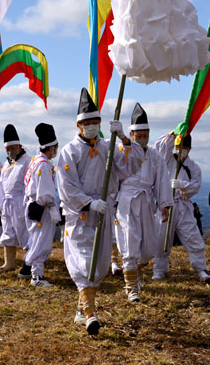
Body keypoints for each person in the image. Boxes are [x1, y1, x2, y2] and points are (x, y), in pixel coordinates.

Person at [56, 88, 129, 335]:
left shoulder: (109, 147)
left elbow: (129, 167)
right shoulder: (69, 151)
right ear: (78, 125)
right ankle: (91, 314)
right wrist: (87, 202)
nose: (91, 126)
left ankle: (81, 309)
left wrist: (124, 139)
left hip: (103, 212)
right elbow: (67, 185)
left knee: (98, 264)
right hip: (81, 214)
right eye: (86, 123)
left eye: (95, 122)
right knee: (83, 262)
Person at [113, 103, 171, 304]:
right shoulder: (121, 151)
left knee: (147, 248)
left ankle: (136, 274)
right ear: (131, 134)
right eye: (139, 135)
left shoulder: (154, 154)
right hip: (127, 202)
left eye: (146, 133)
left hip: (146, 201)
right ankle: (131, 287)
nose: (143, 138)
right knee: (129, 243)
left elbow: (162, 179)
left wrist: (164, 204)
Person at [152, 133, 210, 284]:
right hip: (166, 203)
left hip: (182, 204)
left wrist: (182, 185)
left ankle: (201, 269)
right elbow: (160, 147)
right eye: (179, 148)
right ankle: (159, 270)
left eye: (185, 148)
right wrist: (174, 135)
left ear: (189, 149)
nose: (182, 151)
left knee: (192, 235)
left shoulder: (193, 166)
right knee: (162, 237)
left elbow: (196, 186)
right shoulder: (167, 159)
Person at [23, 122, 61, 288]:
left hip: (32, 206)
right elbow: (45, 192)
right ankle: (36, 276)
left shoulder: (35, 161)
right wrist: (53, 208)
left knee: (36, 240)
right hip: (41, 208)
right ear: (51, 148)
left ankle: (29, 269)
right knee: (42, 242)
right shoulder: (44, 165)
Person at [0, 124, 30, 274]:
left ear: (19, 145)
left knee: (24, 233)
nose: (10, 151)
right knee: (8, 232)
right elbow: (2, 185)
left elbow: (29, 183)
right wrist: (0, 204)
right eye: (7, 149)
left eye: (13, 147)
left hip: (20, 202)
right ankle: (9, 263)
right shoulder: (6, 164)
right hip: (7, 202)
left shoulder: (27, 161)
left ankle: (29, 263)